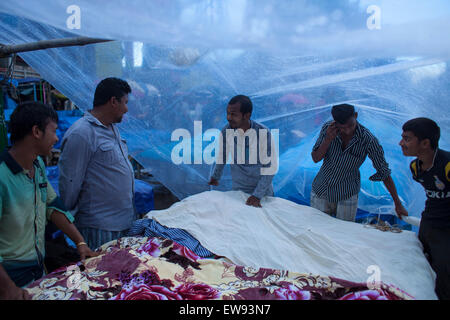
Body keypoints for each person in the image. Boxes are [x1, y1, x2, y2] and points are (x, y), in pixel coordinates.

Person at [0, 101, 98, 300]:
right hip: (9, 276)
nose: (56, 137)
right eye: (53, 131)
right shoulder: (2, 176)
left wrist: (80, 242)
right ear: (36, 131)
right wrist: (7, 288)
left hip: (36, 268)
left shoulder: (37, 167)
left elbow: (52, 206)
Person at [58, 77, 136, 250]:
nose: (126, 108)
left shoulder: (112, 129)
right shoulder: (82, 133)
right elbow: (69, 183)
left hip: (123, 222)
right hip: (99, 227)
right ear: (113, 102)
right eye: (125, 102)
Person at [310, 103, 407, 222]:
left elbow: (383, 171)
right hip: (321, 189)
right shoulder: (328, 129)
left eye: (350, 125)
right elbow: (316, 158)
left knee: (344, 232)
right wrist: (328, 140)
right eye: (342, 127)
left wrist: (397, 203)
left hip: (347, 193)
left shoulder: (368, 140)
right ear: (335, 122)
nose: (347, 131)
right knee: (318, 229)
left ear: (355, 115)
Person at [399, 117, 449, 300]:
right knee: (425, 264)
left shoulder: (447, 165)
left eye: (407, 139)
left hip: (446, 229)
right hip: (428, 224)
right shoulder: (416, 168)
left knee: (444, 273)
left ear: (425, 143)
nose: (401, 143)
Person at [208, 95, 276, 208]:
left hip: (262, 195)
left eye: (233, 114)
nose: (229, 117)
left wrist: (257, 196)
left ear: (247, 115)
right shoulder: (227, 131)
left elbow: (269, 167)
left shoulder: (263, 133)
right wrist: (216, 176)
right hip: (238, 192)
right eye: (228, 113)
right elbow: (223, 155)